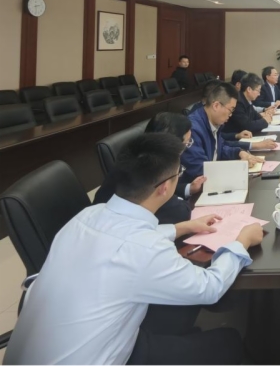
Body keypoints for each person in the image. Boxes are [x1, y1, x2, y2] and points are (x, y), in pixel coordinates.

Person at [5, 133, 265, 365]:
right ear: (165, 187)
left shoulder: (86, 216)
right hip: (103, 356)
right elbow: (210, 288)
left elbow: (124, 240)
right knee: (229, 340)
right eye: (179, 172)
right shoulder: (146, 248)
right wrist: (241, 241)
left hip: (46, 347)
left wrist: (182, 228)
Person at [93, 113, 200, 225]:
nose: (186, 149)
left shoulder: (135, 158)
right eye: (186, 143)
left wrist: (188, 188)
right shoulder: (153, 170)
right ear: (173, 145)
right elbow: (180, 212)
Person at [182, 82, 264, 180]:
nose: (231, 115)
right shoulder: (193, 129)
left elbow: (220, 148)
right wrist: (238, 166)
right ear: (216, 106)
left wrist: (239, 152)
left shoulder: (214, 122)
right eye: (231, 110)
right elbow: (200, 169)